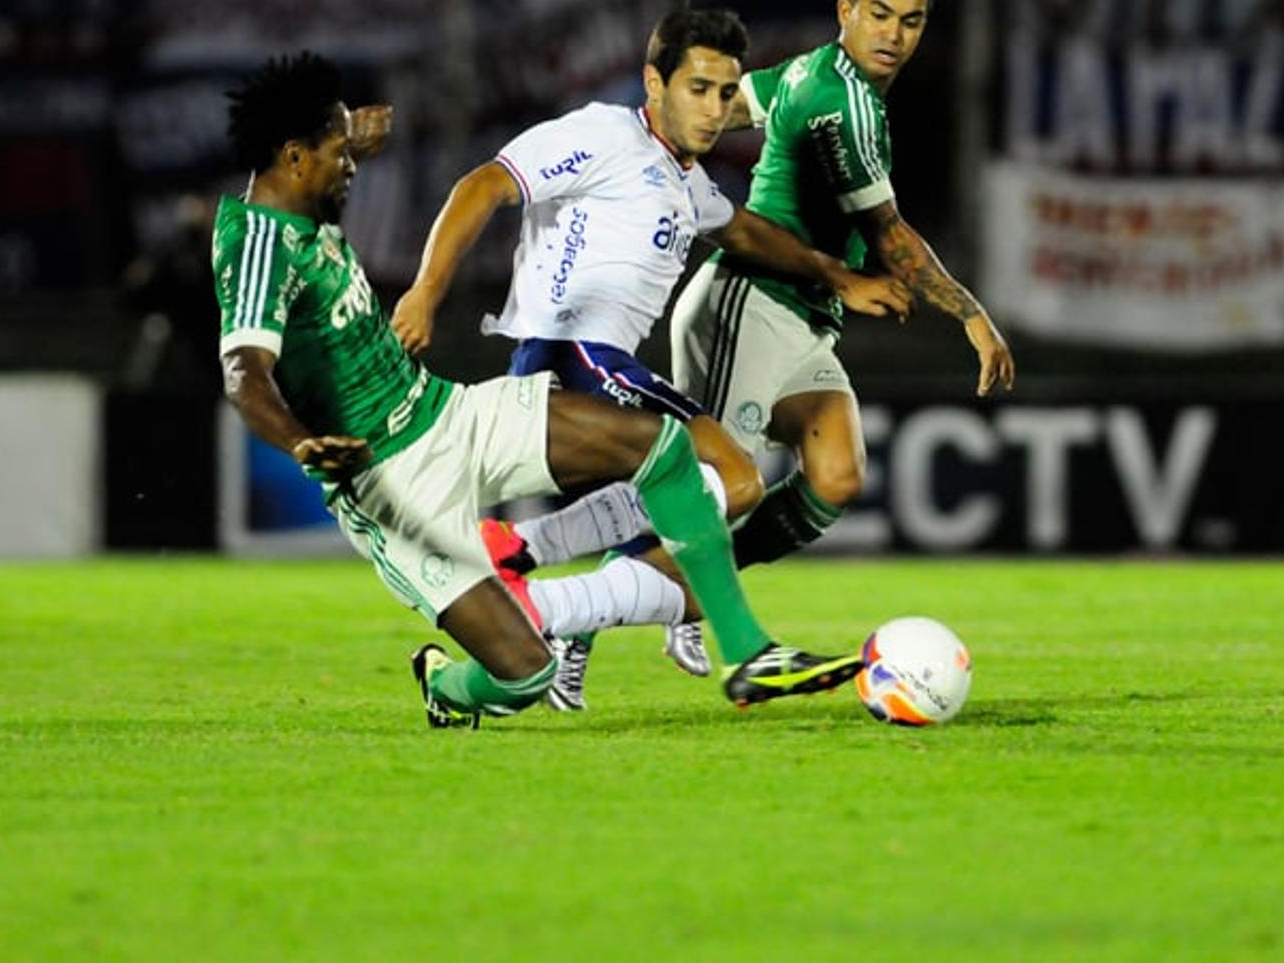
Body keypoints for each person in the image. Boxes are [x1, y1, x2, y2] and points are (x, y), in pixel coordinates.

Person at [212, 52, 864, 729]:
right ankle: (445, 682)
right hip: (392, 483)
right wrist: (298, 441)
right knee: (528, 674)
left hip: (447, 411)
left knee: (666, 445)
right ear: (293, 156)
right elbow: (243, 372)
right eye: (337, 152)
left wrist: (355, 136)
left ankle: (746, 653)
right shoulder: (257, 243)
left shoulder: (298, 193)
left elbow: (323, 166)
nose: (350, 164)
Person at [390, 8, 911, 710]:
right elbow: (483, 185)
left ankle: (457, 678)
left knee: (690, 506)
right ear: (653, 82)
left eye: (726, 93)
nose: (713, 107)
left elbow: (746, 231)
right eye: (697, 87)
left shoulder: (682, 179)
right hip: (569, 353)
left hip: (601, 366)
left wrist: (839, 276)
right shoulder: (603, 135)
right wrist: (425, 292)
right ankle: (746, 653)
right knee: (731, 475)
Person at [496, 0, 1015, 588]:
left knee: (835, 474)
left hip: (807, 311)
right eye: (880, 15)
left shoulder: (808, 74)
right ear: (846, 14)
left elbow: (727, 105)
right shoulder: (840, 100)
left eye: (912, 21)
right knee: (711, 480)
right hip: (754, 299)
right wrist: (971, 314)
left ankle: (683, 587)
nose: (894, 34)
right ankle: (571, 603)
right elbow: (890, 233)